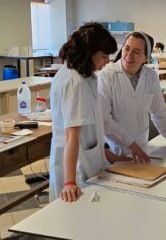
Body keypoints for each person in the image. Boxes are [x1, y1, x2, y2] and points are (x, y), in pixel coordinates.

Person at [49, 22, 131, 203]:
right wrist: (70, 182)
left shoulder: (86, 77)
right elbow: (72, 136)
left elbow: (92, 127)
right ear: (89, 53)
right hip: (76, 168)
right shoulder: (74, 82)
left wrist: (109, 155)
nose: (107, 61)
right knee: (73, 223)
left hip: (89, 160)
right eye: (103, 56)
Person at [98, 31, 166, 163]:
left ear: (146, 58)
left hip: (142, 148)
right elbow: (104, 120)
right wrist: (131, 144)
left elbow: (159, 112)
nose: (129, 56)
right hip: (116, 151)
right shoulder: (107, 75)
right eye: (127, 48)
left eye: (136, 52)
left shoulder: (151, 76)